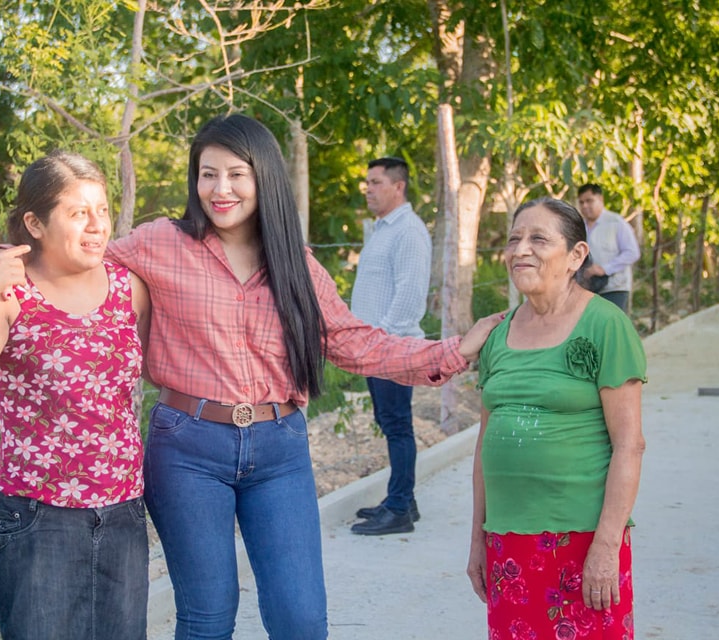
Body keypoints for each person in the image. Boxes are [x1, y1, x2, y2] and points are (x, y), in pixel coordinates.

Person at [104, 113, 505, 640]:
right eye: (207, 174)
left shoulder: (296, 262)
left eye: (236, 174)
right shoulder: (159, 243)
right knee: (207, 617)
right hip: (187, 448)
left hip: (279, 450)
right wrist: (6, 268)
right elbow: (80, 269)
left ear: (263, 176)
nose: (220, 189)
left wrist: (454, 350)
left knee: (301, 621)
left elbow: (350, 341)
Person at [0, 150, 151, 640]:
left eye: (102, 210)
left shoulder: (128, 288)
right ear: (34, 222)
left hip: (122, 513)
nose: (97, 225)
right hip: (37, 518)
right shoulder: (9, 292)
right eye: (79, 213)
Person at [466, 196, 647, 639]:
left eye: (538, 239)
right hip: (509, 539)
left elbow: (630, 444)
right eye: (514, 239)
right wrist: (478, 539)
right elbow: (485, 446)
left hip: (582, 539)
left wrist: (606, 546)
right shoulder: (497, 332)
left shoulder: (605, 325)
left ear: (576, 256)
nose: (520, 250)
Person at [349, 156, 430, 536]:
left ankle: (399, 508)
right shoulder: (382, 229)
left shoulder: (408, 231)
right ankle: (403, 499)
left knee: (398, 426)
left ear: (399, 186)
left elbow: (411, 295)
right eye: (367, 181)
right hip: (374, 348)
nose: (368, 188)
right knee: (389, 424)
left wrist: (381, 343)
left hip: (391, 349)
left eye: (376, 181)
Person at [577, 183, 641, 312]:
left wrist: (604, 269)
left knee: (611, 327)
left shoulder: (616, 223)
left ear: (600, 199)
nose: (585, 206)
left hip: (614, 287)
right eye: (581, 202)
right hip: (587, 289)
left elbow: (632, 252)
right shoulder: (579, 227)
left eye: (589, 201)